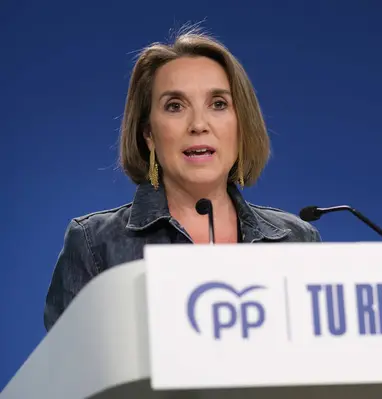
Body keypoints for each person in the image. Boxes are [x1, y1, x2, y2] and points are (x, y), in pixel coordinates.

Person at [43, 28, 322, 332]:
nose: (199, 125)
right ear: (149, 134)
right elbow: (68, 373)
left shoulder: (296, 241)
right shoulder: (94, 244)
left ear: (241, 124)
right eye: (175, 106)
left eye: (218, 104)